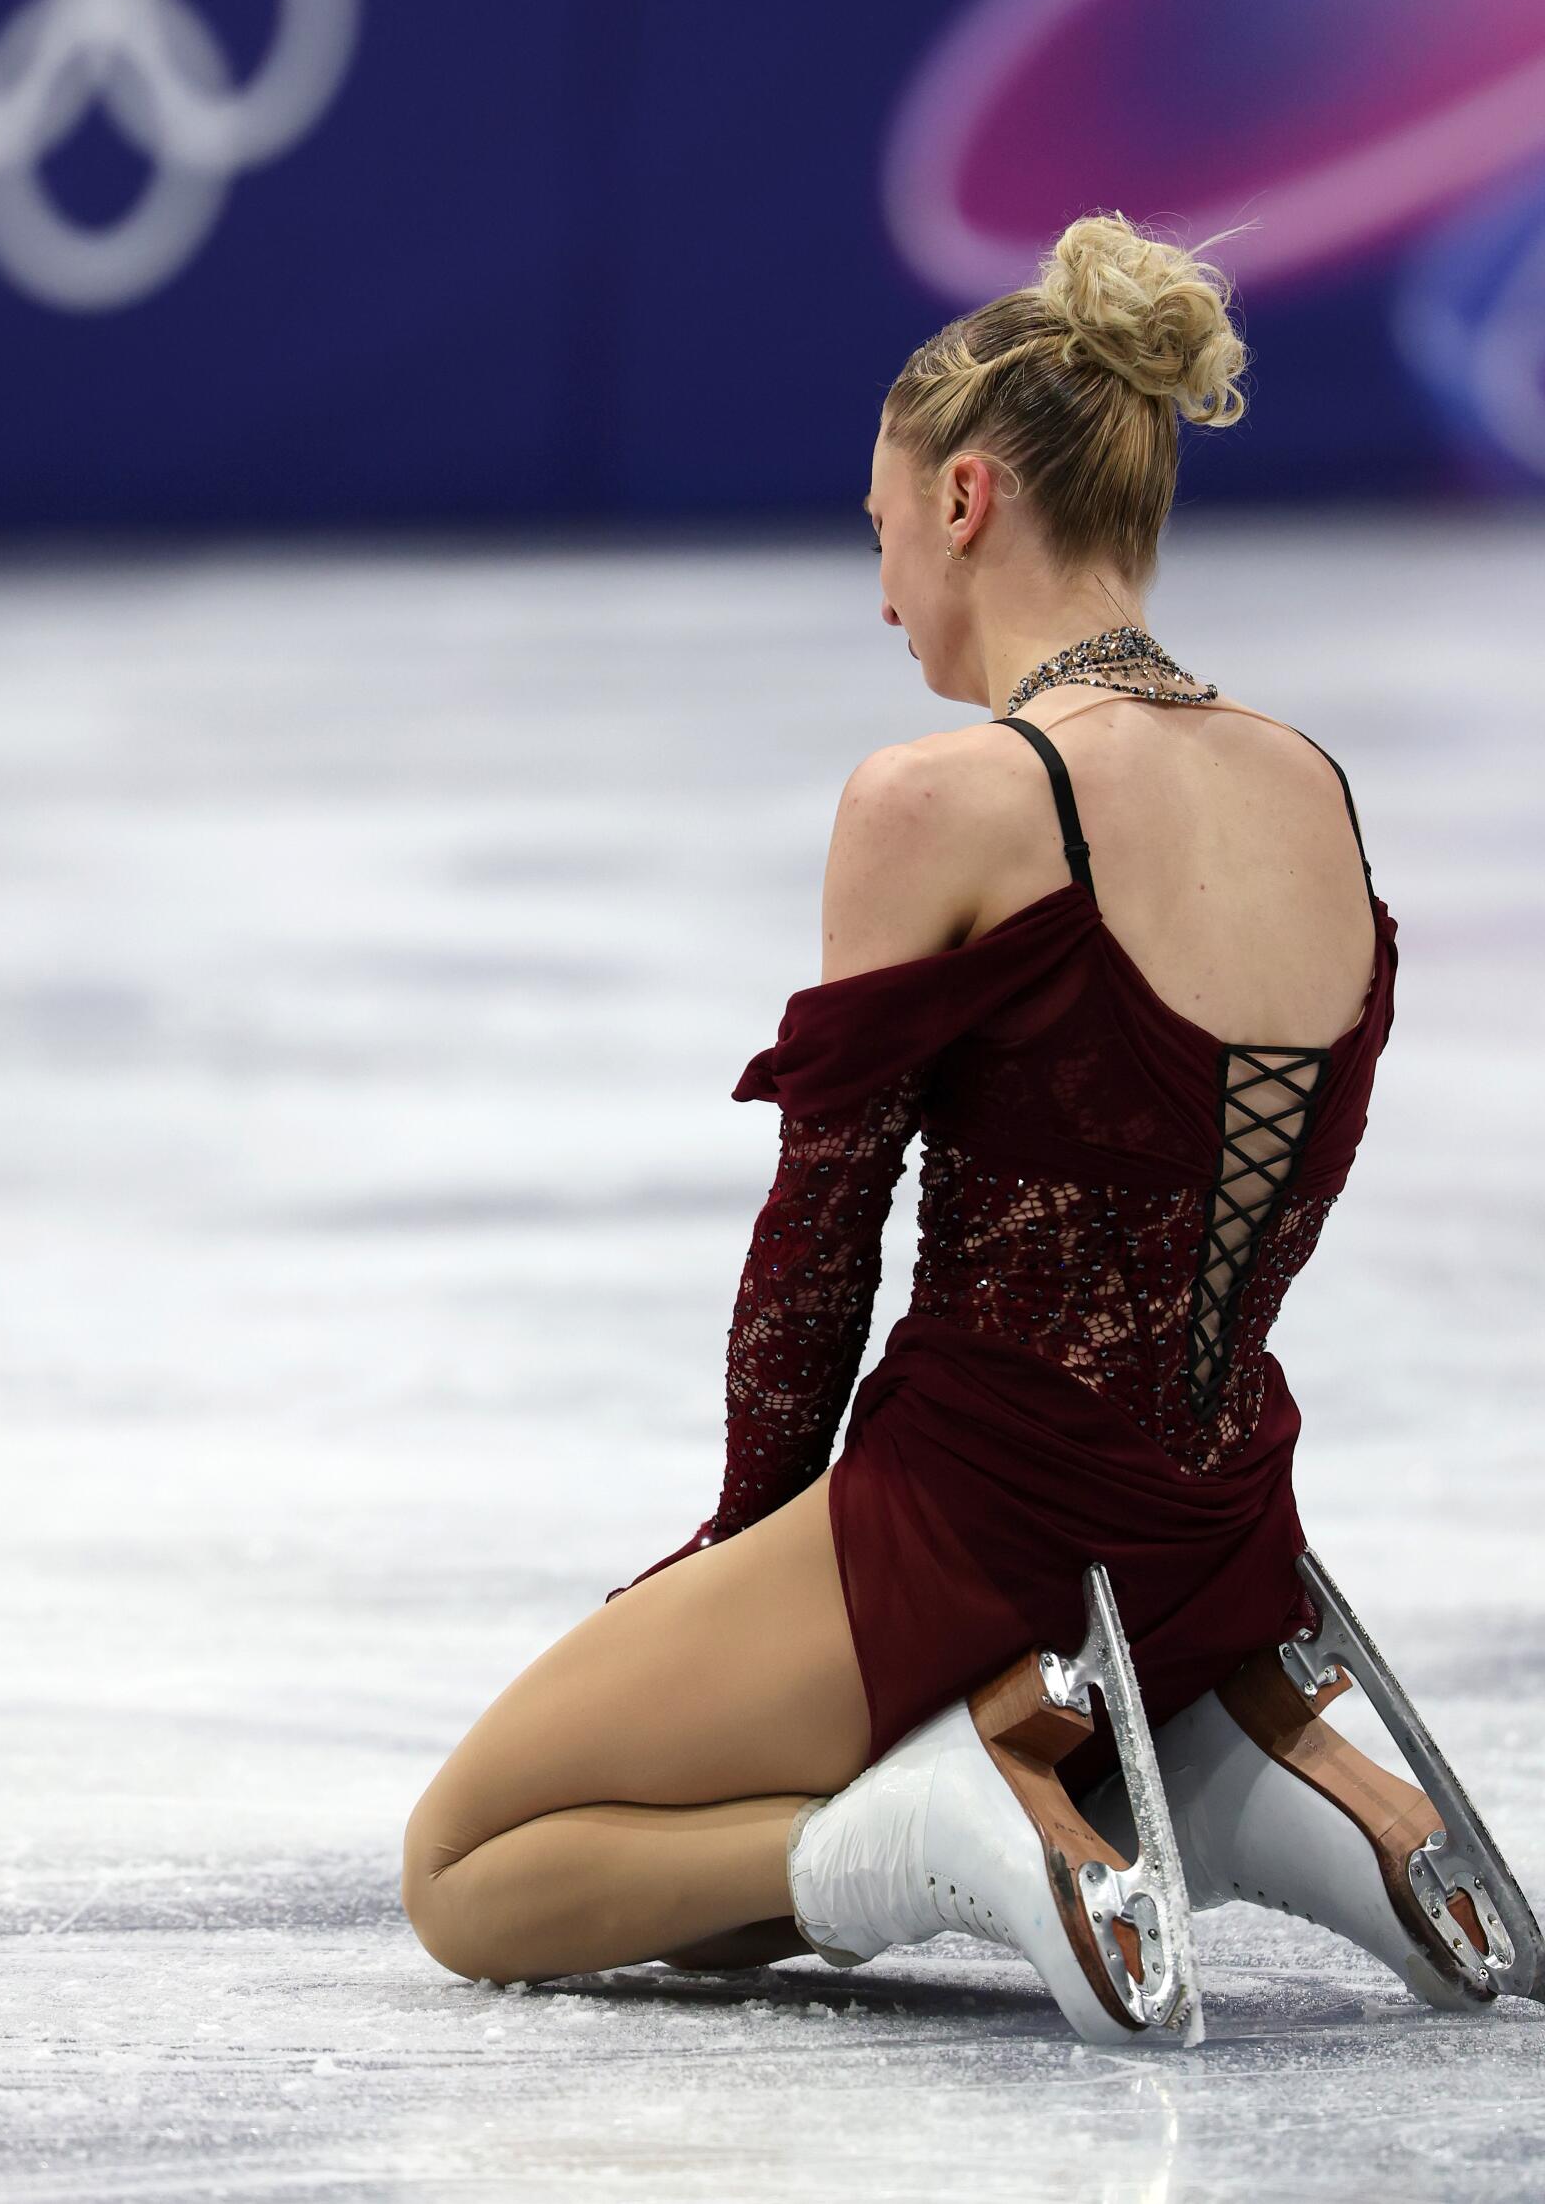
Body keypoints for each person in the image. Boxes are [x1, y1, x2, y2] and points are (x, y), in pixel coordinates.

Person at [400, 210, 1536, 2038]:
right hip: (1223, 1524)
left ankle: (938, 1817)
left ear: (965, 500)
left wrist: (746, 1556)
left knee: (474, 1870)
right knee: (694, 1825)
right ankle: (1240, 1774)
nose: (879, 600)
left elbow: (818, 1246)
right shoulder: (1308, 785)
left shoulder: (948, 803)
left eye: (879, 533)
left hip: (986, 1527)